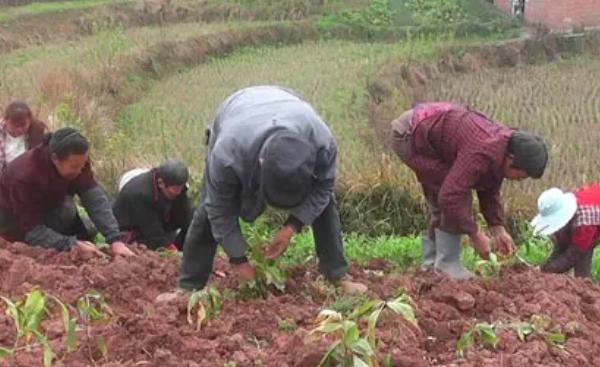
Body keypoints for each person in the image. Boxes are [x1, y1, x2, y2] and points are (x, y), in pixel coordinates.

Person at [178, 85, 366, 294]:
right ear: (260, 164)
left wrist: (291, 226)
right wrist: (239, 261)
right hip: (236, 113)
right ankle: (188, 287)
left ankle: (336, 274)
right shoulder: (227, 154)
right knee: (208, 207)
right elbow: (220, 210)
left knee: (325, 204)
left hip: (288, 105)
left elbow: (323, 188)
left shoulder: (321, 142)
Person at [391, 101, 548, 279]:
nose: (519, 180)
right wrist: (476, 234)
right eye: (521, 175)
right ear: (511, 159)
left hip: (432, 133)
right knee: (454, 195)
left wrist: (497, 228)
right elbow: (449, 197)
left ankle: (432, 265)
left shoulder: (501, 148)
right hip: (410, 134)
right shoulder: (482, 151)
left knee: (453, 191)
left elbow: (489, 186)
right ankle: (446, 264)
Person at [0, 128, 134, 257]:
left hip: (49, 207)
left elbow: (94, 198)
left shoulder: (78, 160)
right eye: (75, 167)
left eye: (83, 164)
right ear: (55, 158)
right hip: (15, 221)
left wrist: (115, 239)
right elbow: (32, 230)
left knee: (84, 224)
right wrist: (70, 244)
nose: (81, 170)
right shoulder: (26, 176)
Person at [113, 160, 193, 251]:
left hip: (158, 221)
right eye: (175, 189)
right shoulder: (140, 193)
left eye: (181, 188)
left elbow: (186, 216)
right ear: (161, 183)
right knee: (151, 244)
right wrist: (171, 249)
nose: (178, 193)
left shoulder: (176, 187)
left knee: (195, 220)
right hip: (134, 228)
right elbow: (151, 230)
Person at [531, 185, 600, 278]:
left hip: (591, 220)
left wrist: (545, 270)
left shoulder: (584, 222)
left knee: (582, 253)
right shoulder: (565, 203)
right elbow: (562, 243)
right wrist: (544, 268)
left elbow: (575, 254)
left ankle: (584, 286)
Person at [0, 101, 48, 172]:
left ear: (29, 120)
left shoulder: (38, 132)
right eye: (15, 125)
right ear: (5, 120)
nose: (19, 129)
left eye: (23, 125)